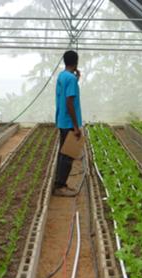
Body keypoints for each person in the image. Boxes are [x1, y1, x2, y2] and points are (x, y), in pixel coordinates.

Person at [53, 50, 82, 197]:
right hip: (69, 122)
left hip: (62, 120)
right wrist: (76, 126)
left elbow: (65, 94)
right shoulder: (70, 79)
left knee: (63, 153)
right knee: (68, 155)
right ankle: (60, 186)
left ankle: (59, 183)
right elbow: (69, 102)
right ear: (76, 62)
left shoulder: (63, 76)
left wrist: (76, 78)